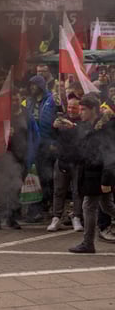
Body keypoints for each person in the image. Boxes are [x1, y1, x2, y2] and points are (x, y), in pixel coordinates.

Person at [62, 95, 115, 253]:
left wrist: (106, 180)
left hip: (98, 175)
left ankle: (88, 243)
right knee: (107, 206)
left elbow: (110, 156)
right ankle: (87, 243)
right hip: (90, 173)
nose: (80, 112)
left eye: (84, 109)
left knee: (89, 206)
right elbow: (81, 150)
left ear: (93, 110)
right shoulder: (87, 126)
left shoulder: (106, 128)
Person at [26, 75, 58, 221]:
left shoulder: (51, 100)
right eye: (30, 85)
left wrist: (54, 141)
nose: (32, 87)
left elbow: (55, 120)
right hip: (33, 144)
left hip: (47, 143)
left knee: (48, 175)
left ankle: (49, 203)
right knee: (35, 175)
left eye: (35, 85)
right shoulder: (29, 102)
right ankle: (38, 206)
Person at [50, 97, 84, 232]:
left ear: (79, 108)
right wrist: (54, 127)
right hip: (62, 159)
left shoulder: (83, 121)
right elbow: (53, 136)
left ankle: (77, 217)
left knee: (77, 191)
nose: (70, 110)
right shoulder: (62, 118)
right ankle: (56, 217)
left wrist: (73, 127)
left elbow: (85, 134)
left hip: (78, 160)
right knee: (58, 190)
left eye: (74, 108)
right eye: (69, 107)